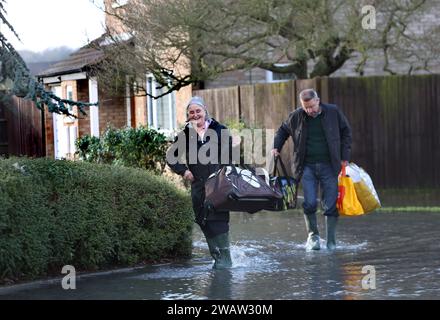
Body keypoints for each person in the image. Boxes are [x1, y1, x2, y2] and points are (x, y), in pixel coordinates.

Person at [271, 89, 352, 250]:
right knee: (309, 203)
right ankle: (313, 237)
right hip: (306, 167)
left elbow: (346, 133)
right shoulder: (296, 116)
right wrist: (276, 147)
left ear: (318, 101)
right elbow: (282, 130)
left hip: (330, 166)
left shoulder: (332, 112)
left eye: (311, 107)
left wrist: (344, 157)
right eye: (305, 107)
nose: (309, 111)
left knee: (330, 204)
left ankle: (331, 241)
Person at [167, 96, 233, 268]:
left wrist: (227, 174)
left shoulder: (220, 130)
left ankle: (226, 258)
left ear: (205, 111)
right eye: (191, 112)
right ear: (188, 116)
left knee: (219, 219)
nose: (195, 115)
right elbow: (171, 157)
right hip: (198, 186)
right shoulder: (185, 135)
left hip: (218, 185)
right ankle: (217, 256)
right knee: (202, 219)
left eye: (198, 111)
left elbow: (231, 156)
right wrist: (184, 171)